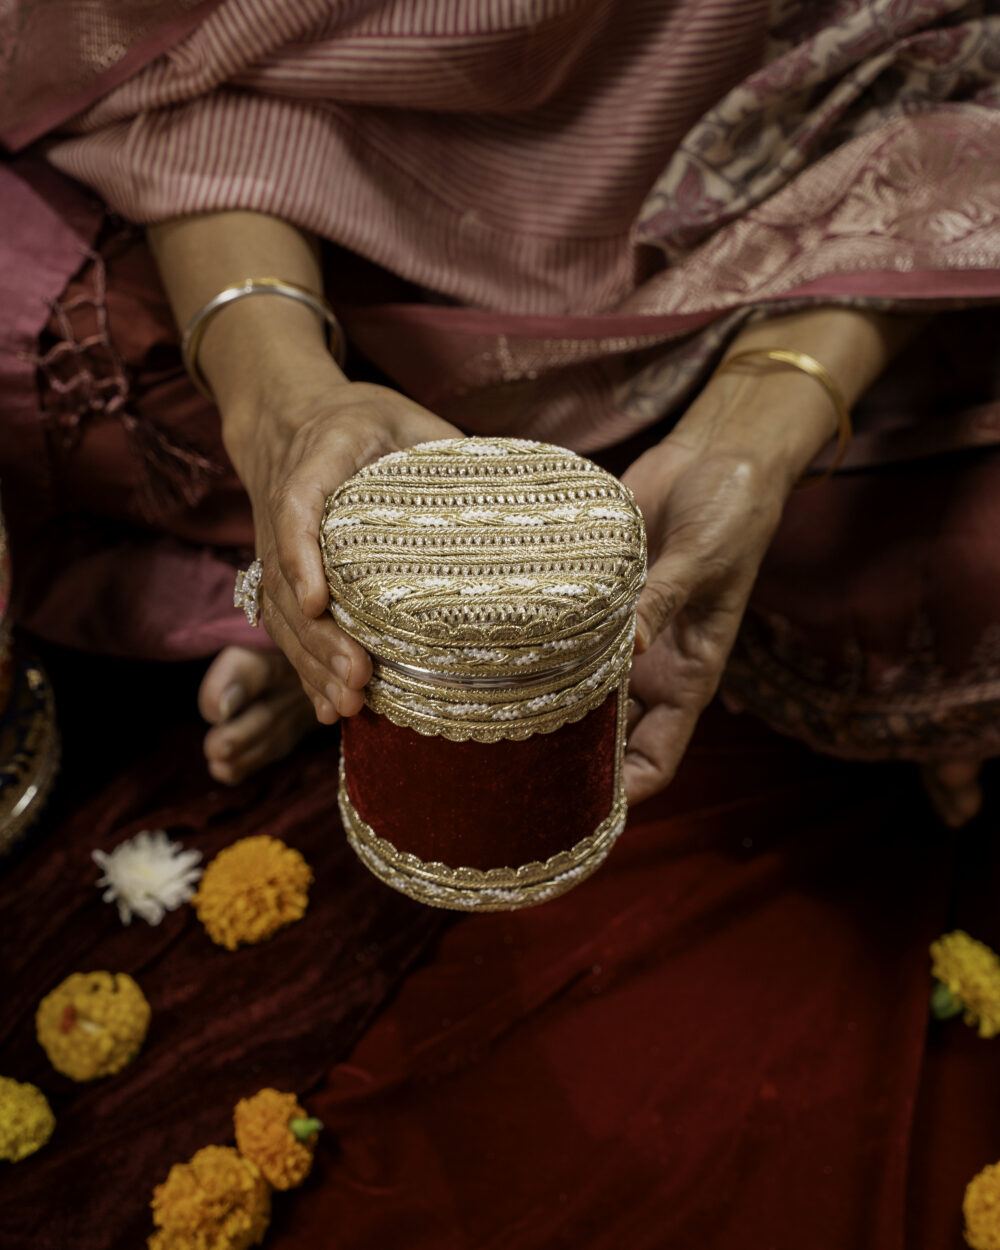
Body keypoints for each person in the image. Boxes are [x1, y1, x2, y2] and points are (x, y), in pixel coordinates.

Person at [2, 0, 999, 821]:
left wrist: (761, 421)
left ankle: (356, 604)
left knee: (946, 577)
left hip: (799, 229)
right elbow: (175, 65)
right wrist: (275, 397)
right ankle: (336, 592)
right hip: (297, 224)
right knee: (52, 347)